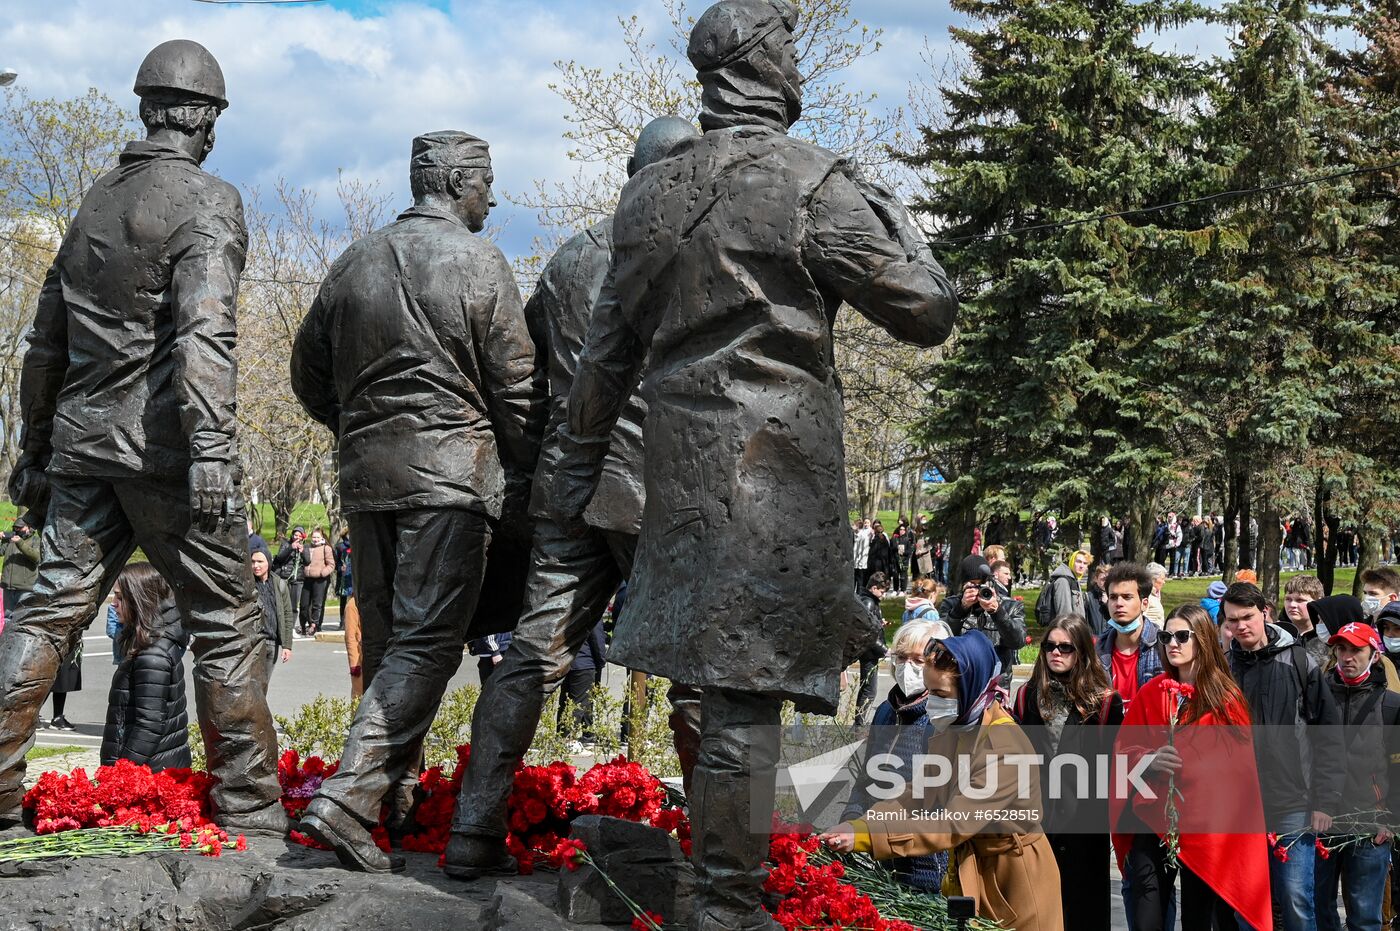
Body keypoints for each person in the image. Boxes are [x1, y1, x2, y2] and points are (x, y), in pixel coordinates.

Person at [551, 0, 959, 919]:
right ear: (760, 64)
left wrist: (572, 473)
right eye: (787, 47)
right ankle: (728, 905)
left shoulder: (652, 192)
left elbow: (605, 355)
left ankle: (722, 891)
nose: (797, 65)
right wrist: (891, 206)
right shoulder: (811, 183)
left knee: (727, 690)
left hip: (683, 469)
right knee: (741, 697)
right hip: (773, 475)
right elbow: (927, 308)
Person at [444, 118, 706, 880]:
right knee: (700, 674)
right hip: (659, 492)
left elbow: (528, 379)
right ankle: (724, 858)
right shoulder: (692, 259)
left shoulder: (567, 261)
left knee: (532, 657)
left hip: (570, 486)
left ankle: (471, 827)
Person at [291, 129, 544, 873]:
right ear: (456, 181)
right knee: (427, 645)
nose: (493, 198)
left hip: (368, 485)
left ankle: (392, 798)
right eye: (486, 182)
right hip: (447, 482)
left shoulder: (353, 261)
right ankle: (347, 797)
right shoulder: (479, 262)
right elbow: (519, 393)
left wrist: (362, 426)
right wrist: (534, 475)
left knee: (391, 638)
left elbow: (308, 374)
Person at [821, 631, 1063, 930]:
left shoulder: (1003, 746)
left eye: (941, 695)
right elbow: (919, 794)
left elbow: (952, 825)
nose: (932, 702)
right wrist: (859, 826)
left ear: (971, 688)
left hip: (1013, 880)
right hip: (972, 870)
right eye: (930, 691)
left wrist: (868, 838)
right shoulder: (955, 728)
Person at [1111, 604, 1272, 931]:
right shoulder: (1152, 692)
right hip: (1153, 820)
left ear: (1203, 640)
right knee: (1145, 920)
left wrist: (1193, 763)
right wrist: (1149, 759)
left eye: (1182, 636)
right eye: (1166, 636)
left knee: (1201, 920)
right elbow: (1122, 751)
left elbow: (1237, 772)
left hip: (1207, 829)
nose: (1172, 643)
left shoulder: (1226, 699)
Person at [1221, 581, 1344, 931]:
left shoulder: (1299, 661)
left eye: (1247, 617)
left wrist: (1326, 799)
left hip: (1294, 801)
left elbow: (1329, 734)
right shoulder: (1224, 670)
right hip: (1241, 807)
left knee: (1295, 898)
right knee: (1248, 902)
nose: (1240, 626)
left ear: (1265, 613)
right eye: (1232, 621)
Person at [1011, 614, 1123, 931]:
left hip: (1084, 827)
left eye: (1066, 647)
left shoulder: (1105, 703)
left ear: (1082, 653)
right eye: (1049, 646)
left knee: (1082, 911)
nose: (1055, 653)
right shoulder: (1026, 696)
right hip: (1037, 822)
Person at [837, 620, 950, 894]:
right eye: (901, 657)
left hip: (928, 868)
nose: (907, 666)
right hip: (883, 860)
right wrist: (849, 820)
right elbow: (866, 780)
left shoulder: (942, 721)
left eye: (918, 659)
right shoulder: (886, 712)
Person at [1316, 612, 1400, 931]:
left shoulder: (1391, 705)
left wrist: (1391, 819)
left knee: (1365, 916)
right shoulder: (1316, 696)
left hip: (1369, 822)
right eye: (1341, 650)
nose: (1347, 657)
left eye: (1356, 650)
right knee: (1320, 908)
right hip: (1322, 820)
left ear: (1374, 655)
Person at [100, 563, 190, 772]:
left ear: (140, 599)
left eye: (120, 598)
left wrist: (121, 775)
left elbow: (148, 726)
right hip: (153, 766)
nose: (113, 604)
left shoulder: (152, 654)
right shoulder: (149, 642)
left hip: (150, 772)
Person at [942, 555, 1025, 693]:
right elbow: (943, 640)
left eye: (981, 584)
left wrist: (997, 612)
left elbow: (1017, 641)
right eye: (973, 585)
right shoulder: (951, 605)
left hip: (996, 689)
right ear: (964, 585)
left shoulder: (1010, 606)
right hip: (960, 687)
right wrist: (960, 609)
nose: (978, 590)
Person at [1095, 562, 1164, 712]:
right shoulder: (1097, 650)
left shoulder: (1163, 648)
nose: (1119, 603)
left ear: (1144, 604)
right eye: (1113, 597)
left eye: (1127, 597)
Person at [250, 550, 292, 685]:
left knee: (264, 685)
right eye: (253, 562)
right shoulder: (247, 584)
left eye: (260, 562)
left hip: (272, 643)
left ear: (268, 563)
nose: (256, 565)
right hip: (255, 643)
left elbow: (287, 614)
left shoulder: (279, 584)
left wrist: (287, 646)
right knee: (253, 684)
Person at [855, 572, 892, 722]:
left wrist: (879, 623)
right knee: (869, 690)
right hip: (869, 652)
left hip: (870, 652)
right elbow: (868, 633)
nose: (883, 595)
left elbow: (871, 624)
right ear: (874, 588)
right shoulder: (869, 602)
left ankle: (859, 722)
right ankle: (858, 723)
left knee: (868, 689)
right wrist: (884, 649)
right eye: (882, 591)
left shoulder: (870, 601)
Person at [1281, 574, 1327, 664]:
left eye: (1300, 600)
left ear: (1318, 602)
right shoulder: (1279, 636)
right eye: (1288, 599)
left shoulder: (1326, 637)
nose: (1292, 605)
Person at [0, 515, 40, 617]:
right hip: (8, 587)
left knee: (22, 618)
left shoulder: (35, 540)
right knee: (7, 617)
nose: (17, 530)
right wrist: (2, 538)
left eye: (20, 527)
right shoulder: (10, 540)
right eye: (15, 527)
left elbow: (36, 557)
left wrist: (20, 543)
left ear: (29, 527)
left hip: (25, 588)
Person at [299, 528, 335, 636]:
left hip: (320, 579)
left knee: (317, 604)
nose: (315, 539)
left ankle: (314, 624)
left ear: (322, 538)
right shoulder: (307, 547)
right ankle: (303, 624)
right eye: (313, 537)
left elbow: (331, 564)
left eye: (317, 537)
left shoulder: (326, 548)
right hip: (308, 578)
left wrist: (323, 573)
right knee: (304, 604)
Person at [1039, 550, 1088, 627]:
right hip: (1067, 633)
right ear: (1072, 562)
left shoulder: (1074, 580)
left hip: (1077, 631)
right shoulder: (1063, 581)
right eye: (1078, 562)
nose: (1082, 566)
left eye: (1085, 563)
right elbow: (1064, 616)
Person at [272, 527, 307, 633]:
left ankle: (290, 628)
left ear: (302, 537)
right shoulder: (286, 544)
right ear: (292, 535)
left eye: (299, 535)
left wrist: (303, 552)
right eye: (295, 535)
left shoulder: (305, 546)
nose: (297, 537)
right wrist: (291, 548)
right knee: (282, 603)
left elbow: (308, 562)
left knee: (293, 605)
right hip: (285, 577)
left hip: (298, 579)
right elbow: (279, 558)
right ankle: (280, 626)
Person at [1084, 561, 1111, 635]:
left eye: (1108, 579)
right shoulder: (1088, 597)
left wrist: (1107, 604)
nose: (1106, 582)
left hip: (1111, 639)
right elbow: (1085, 621)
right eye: (1103, 579)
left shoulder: (1115, 597)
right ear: (1096, 579)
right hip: (1094, 640)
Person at [890, 518, 912, 595]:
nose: (901, 531)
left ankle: (903, 590)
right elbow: (891, 549)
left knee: (903, 576)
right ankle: (895, 589)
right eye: (900, 529)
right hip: (895, 560)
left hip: (904, 560)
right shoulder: (895, 539)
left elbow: (909, 551)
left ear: (905, 531)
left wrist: (904, 554)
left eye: (903, 529)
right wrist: (896, 549)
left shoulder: (907, 540)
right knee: (895, 576)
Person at [853, 518, 873, 592]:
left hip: (864, 557)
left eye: (867, 522)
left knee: (861, 576)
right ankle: (854, 591)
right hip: (857, 557)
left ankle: (859, 591)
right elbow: (856, 539)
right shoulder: (861, 531)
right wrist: (856, 531)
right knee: (855, 575)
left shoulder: (870, 531)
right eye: (865, 522)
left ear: (870, 523)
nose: (866, 524)